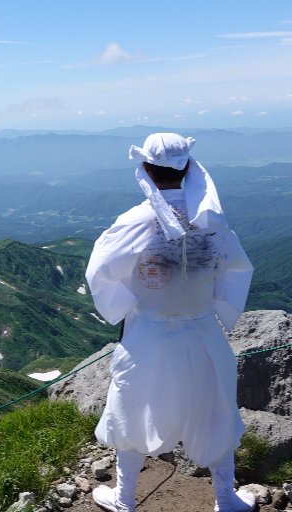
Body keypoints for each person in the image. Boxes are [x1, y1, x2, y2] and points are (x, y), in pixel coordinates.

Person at [85, 133, 255, 512]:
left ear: (144, 168)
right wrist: (216, 305)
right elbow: (236, 269)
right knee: (217, 410)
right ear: (190, 168)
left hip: (149, 334)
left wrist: (129, 303)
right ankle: (226, 498)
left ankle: (125, 498)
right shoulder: (211, 221)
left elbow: (100, 271)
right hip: (203, 332)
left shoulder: (135, 221)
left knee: (131, 408)